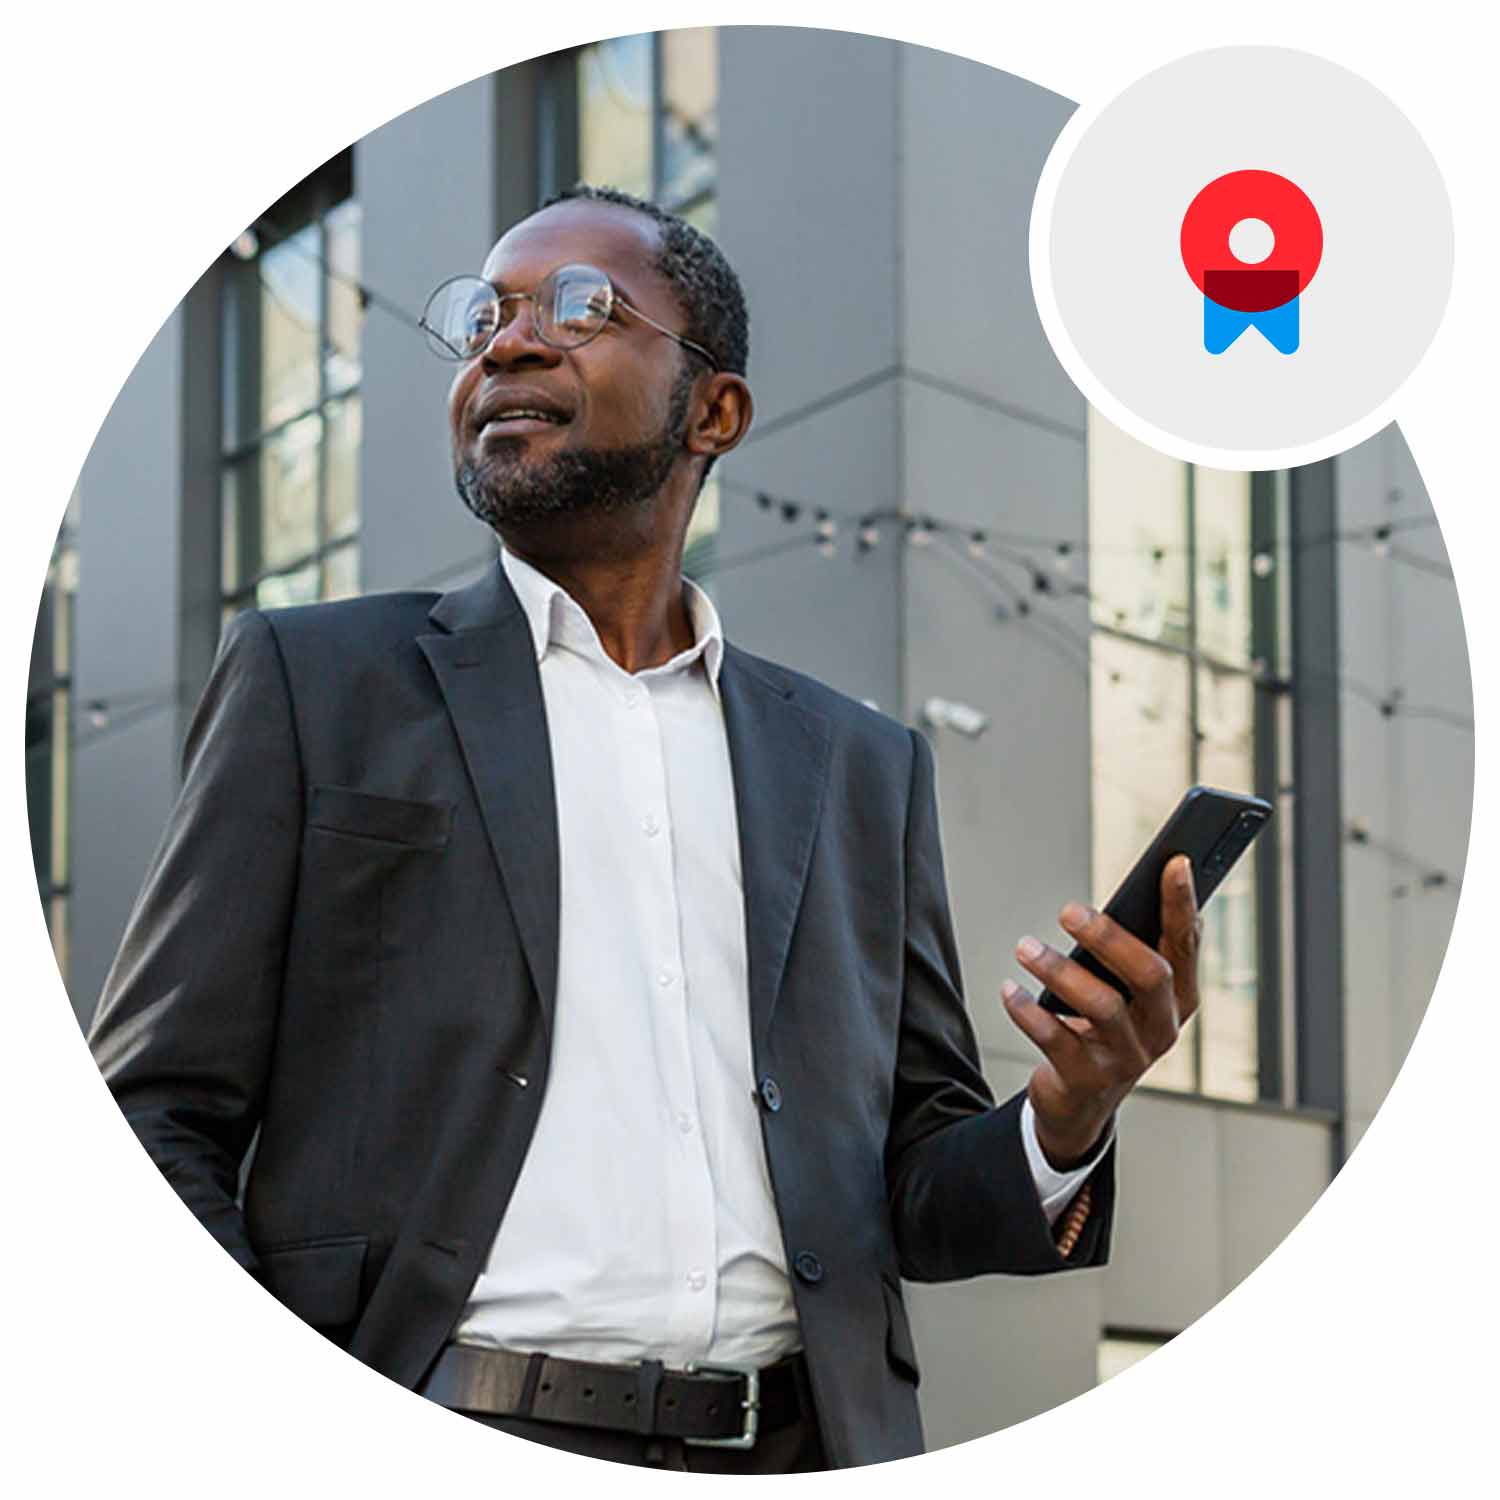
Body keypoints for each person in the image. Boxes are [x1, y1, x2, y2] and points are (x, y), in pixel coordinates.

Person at [89, 185, 1203, 1473]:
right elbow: (148, 1109)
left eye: (579, 307)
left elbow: (908, 1187)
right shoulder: (315, 683)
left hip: (797, 1444)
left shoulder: (857, 766)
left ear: (714, 410)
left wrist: (1069, 1112)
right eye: (485, 320)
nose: (507, 344)